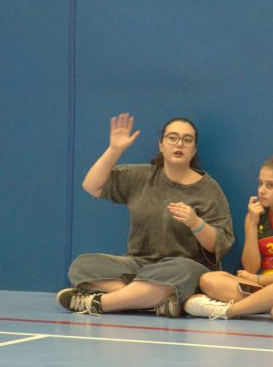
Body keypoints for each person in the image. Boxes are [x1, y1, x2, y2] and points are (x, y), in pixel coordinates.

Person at [56, 113, 234, 316]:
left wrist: (196, 223)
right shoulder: (141, 176)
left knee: (182, 270)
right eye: (172, 138)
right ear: (161, 144)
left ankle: (101, 303)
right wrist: (114, 150)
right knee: (82, 266)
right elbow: (91, 186)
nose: (179, 144)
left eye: (187, 140)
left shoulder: (209, 189)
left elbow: (220, 245)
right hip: (139, 265)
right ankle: (154, 299)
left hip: (183, 268)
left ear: (194, 150)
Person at [183, 149, 273, 319]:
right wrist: (253, 224)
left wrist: (257, 280)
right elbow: (250, 267)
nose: (261, 190)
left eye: (270, 185)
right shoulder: (255, 215)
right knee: (209, 279)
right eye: (260, 183)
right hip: (259, 286)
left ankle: (227, 310)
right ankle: (271, 306)